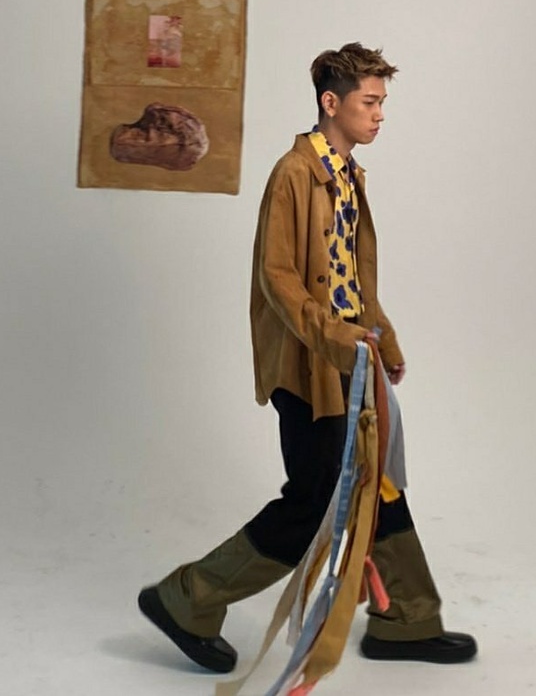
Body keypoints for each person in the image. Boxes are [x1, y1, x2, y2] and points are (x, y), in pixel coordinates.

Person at [138, 42, 477, 674]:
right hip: (307, 368)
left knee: (378, 483)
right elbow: (278, 278)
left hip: (349, 361)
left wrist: (383, 339)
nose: (380, 114)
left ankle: (408, 619)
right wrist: (336, 339)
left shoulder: (348, 174)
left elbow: (352, 277)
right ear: (331, 102)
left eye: (382, 102)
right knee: (314, 499)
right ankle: (187, 599)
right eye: (370, 102)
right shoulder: (294, 173)